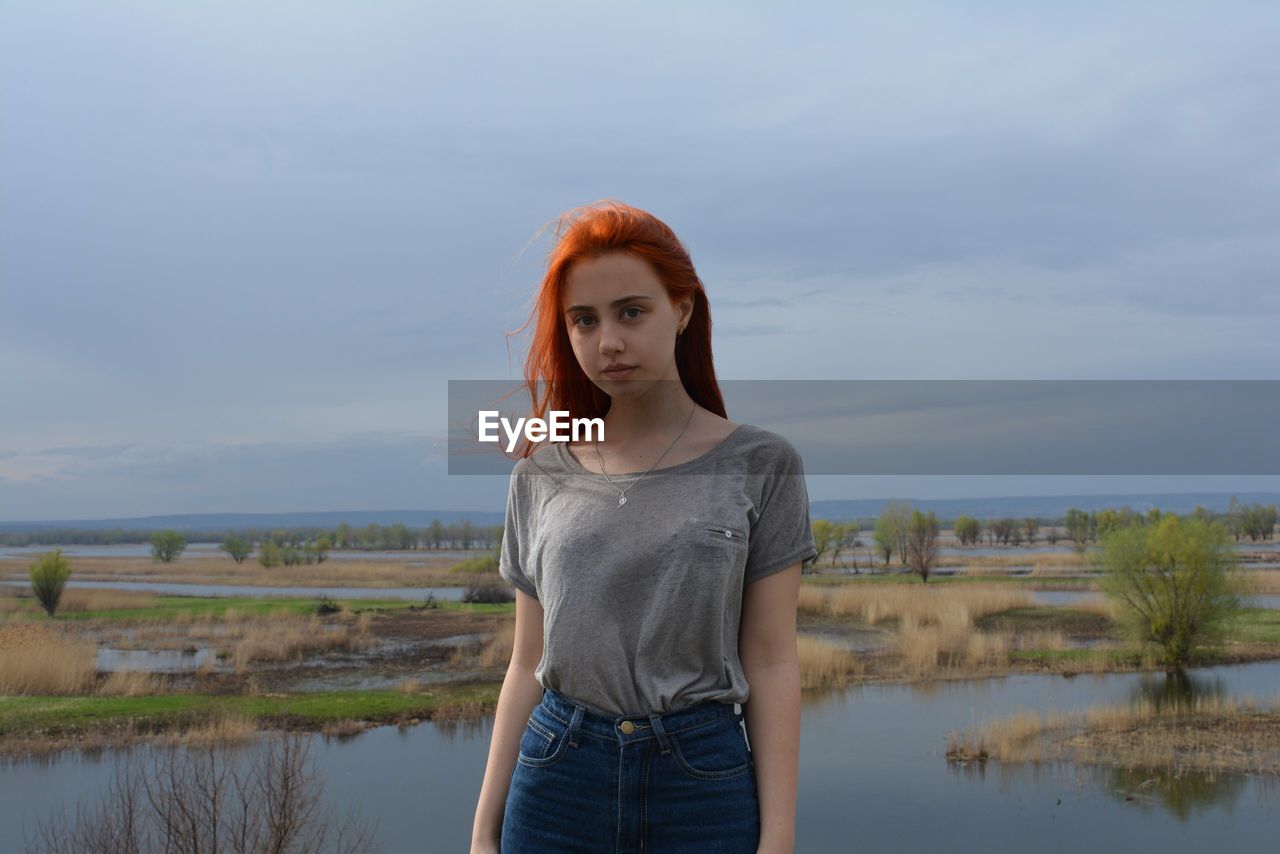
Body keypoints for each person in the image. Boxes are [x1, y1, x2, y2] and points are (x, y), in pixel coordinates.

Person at [471, 200, 817, 853]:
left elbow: (771, 662)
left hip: (702, 785)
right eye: (584, 320)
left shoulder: (763, 465)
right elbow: (525, 665)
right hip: (555, 782)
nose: (609, 342)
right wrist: (483, 832)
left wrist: (778, 840)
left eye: (632, 311)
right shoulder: (541, 475)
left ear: (682, 309)